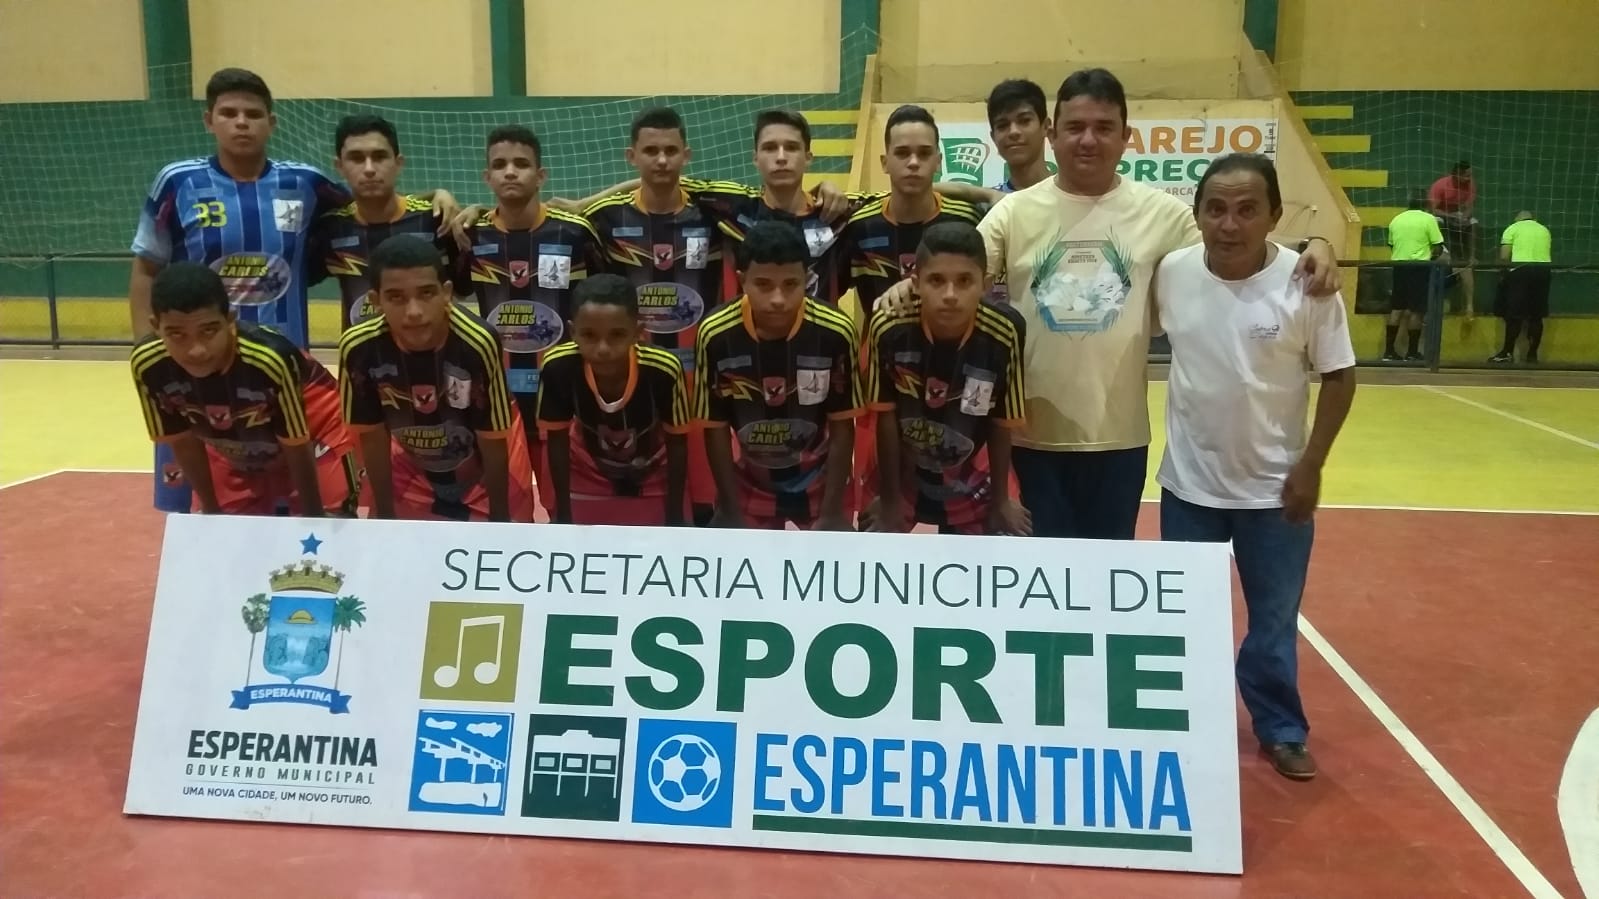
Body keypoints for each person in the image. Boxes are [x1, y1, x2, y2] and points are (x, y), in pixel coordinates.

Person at [882, 68, 1341, 541]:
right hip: (1029, 437)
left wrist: (1315, 243)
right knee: (1044, 576)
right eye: (1076, 127)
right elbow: (954, 268)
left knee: (1105, 574)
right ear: (1053, 135)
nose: (1088, 140)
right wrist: (907, 288)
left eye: (1103, 128)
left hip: (1121, 440)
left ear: (1126, 137)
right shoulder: (1013, 212)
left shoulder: (1162, 213)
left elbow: (1236, 242)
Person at [1154, 153, 1357, 782]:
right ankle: (1192, 721)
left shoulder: (1306, 284)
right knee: (1188, 620)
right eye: (1216, 208)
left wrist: (1312, 465)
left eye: (1247, 210)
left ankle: (1281, 728)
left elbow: (1340, 377)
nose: (1230, 223)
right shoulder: (1172, 272)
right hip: (1189, 488)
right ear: (1197, 214)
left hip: (1275, 491)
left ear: (1273, 215)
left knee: (1272, 623)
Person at [565, 110, 867, 304]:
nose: (781, 157)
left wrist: (827, 185)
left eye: (791, 148)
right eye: (769, 148)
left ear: (809, 157)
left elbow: (885, 201)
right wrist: (585, 203)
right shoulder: (735, 206)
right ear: (755, 158)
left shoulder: (837, 212)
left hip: (818, 343)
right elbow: (663, 177)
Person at [130, 262, 359, 516]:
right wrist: (211, 511)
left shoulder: (270, 359)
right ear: (156, 326)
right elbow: (183, 442)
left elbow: (296, 444)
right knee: (223, 531)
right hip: (231, 443)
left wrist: (314, 517)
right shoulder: (149, 365)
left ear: (230, 319)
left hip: (314, 433)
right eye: (177, 335)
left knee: (330, 525)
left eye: (208, 331)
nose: (196, 350)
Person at [583, 107, 722, 525]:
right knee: (638, 479)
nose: (661, 160)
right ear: (632, 156)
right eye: (650, 151)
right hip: (633, 371)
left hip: (699, 373)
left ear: (686, 155)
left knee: (703, 494)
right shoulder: (605, 219)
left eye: (671, 151)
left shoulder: (714, 213)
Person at [460, 124, 607, 516]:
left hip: (563, 395)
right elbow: (452, 291)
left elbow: (605, 299)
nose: (510, 172)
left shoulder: (575, 233)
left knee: (567, 513)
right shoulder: (471, 236)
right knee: (508, 513)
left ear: (541, 175)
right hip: (498, 400)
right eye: (500, 165)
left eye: (521, 164)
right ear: (487, 177)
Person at [338, 235, 536, 522]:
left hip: (488, 449)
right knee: (399, 539)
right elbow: (372, 436)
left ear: (446, 293)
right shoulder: (358, 347)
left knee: (509, 533)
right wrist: (385, 517)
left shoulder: (477, 341)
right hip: (410, 455)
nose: (414, 312)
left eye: (426, 293)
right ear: (375, 301)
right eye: (396, 297)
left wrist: (500, 521)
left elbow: (492, 437)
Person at [863, 223, 1030, 536]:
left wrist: (1000, 502)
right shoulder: (888, 326)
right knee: (874, 536)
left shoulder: (1005, 332)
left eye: (964, 281)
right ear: (915, 283)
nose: (950, 295)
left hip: (971, 466)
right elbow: (885, 418)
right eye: (936, 280)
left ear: (985, 284)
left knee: (1008, 536)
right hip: (901, 466)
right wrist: (889, 500)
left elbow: (1001, 422)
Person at [694, 221, 862, 530]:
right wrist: (729, 507)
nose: (778, 299)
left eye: (790, 284)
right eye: (763, 284)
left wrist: (832, 511)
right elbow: (715, 429)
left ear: (807, 280)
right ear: (742, 280)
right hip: (748, 481)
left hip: (822, 481)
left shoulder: (836, 331)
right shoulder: (715, 334)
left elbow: (842, 426)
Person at [537, 274, 691, 526]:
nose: (603, 349)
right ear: (573, 332)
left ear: (637, 332)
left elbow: (677, 442)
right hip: (586, 467)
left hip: (653, 466)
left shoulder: (664, 369)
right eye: (589, 335)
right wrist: (563, 514)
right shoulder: (557, 366)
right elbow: (556, 439)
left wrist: (675, 518)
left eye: (617, 335)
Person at [309, 115, 468, 328]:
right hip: (361, 348)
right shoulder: (331, 228)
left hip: (434, 347)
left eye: (379, 157)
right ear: (340, 166)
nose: (369, 169)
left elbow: (464, 289)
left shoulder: (436, 219)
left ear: (398, 163)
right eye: (356, 158)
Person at [1385, 193, 1447, 362]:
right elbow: (1437, 246)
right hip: (1419, 267)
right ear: (1425, 204)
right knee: (1416, 310)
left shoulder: (1396, 219)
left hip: (1399, 266)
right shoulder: (1428, 219)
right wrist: (1433, 256)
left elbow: (1391, 244)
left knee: (1396, 308)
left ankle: (1388, 352)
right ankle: (1412, 352)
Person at [1491, 211, 1553, 364]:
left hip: (1520, 271)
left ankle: (1507, 352)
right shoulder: (1544, 230)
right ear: (1533, 218)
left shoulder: (1513, 228)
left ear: (1517, 218)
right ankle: (1532, 355)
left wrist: (1502, 274)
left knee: (1514, 315)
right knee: (1536, 316)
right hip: (1543, 272)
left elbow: (1504, 256)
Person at [986, 79, 1053, 194]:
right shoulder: (988, 203)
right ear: (993, 138)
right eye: (1002, 125)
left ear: (1045, 127)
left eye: (1024, 120)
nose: (1013, 132)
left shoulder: (1074, 196)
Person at [1429, 160, 1477, 316]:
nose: (1469, 178)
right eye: (1466, 176)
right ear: (1456, 175)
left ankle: (1471, 255)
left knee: (1473, 222)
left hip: (1458, 218)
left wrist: (1464, 217)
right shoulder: (1440, 185)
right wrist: (1451, 216)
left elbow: (1470, 207)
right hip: (1442, 216)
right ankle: (1438, 250)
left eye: (1470, 175)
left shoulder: (1470, 185)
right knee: (1436, 221)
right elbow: (1433, 210)